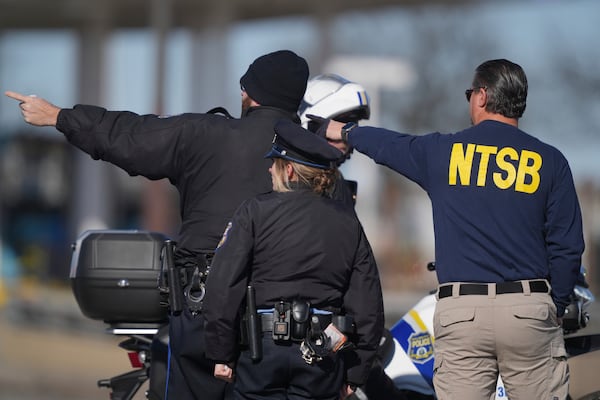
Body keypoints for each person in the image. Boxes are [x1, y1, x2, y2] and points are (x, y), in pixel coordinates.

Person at [5, 49, 310, 400]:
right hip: (287, 325)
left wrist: (59, 116)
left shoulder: (205, 134)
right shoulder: (317, 160)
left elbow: (131, 136)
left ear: (249, 93)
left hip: (203, 309)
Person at [320, 59, 585, 400]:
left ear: (482, 96)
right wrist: (555, 304)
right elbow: (567, 247)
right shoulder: (550, 161)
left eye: (469, 93)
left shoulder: (443, 153)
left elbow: (390, 145)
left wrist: (346, 132)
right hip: (528, 309)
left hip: (462, 314)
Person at [202, 120, 385, 400]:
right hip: (323, 353)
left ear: (288, 169)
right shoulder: (348, 223)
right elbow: (367, 303)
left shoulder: (254, 212)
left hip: (259, 351)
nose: (268, 170)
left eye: (273, 164)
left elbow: (223, 284)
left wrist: (220, 352)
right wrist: (356, 372)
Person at [299, 73, 371, 207]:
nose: (342, 134)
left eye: (351, 126)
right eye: (337, 124)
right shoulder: (290, 182)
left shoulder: (336, 188)